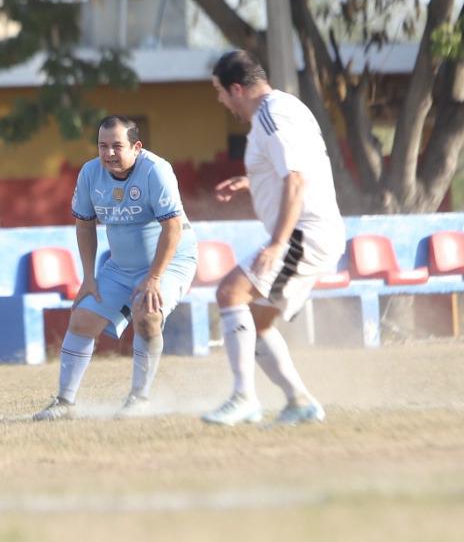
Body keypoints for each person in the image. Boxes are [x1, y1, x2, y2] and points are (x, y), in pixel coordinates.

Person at [203, 50, 345, 426]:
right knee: (254, 319)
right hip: (313, 230)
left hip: (304, 232)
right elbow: (295, 167)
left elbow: (296, 179)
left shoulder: (270, 116)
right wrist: (254, 182)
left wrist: (279, 242)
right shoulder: (286, 107)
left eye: (219, 91)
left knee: (230, 293)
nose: (219, 100)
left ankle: (244, 398)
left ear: (236, 89)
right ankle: (299, 402)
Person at [33, 116, 199, 419]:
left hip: (170, 263)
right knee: (82, 318)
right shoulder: (89, 174)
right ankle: (64, 404)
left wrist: (154, 278)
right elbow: (84, 225)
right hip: (120, 267)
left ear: (136, 147)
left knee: (147, 314)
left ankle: (140, 399)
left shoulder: (156, 171)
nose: (109, 153)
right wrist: (88, 277)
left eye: (117, 146)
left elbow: (172, 228)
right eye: (102, 146)